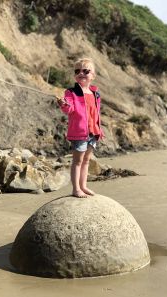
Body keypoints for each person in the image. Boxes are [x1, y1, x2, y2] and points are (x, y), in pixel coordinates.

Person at [57, 57, 104, 198]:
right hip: (79, 133)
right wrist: (64, 104)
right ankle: (76, 189)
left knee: (86, 161)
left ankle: (83, 186)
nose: (81, 73)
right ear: (75, 75)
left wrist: (98, 130)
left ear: (93, 76)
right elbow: (69, 109)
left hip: (92, 132)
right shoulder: (71, 92)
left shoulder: (96, 94)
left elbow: (96, 114)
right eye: (77, 71)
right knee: (77, 161)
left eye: (86, 71)